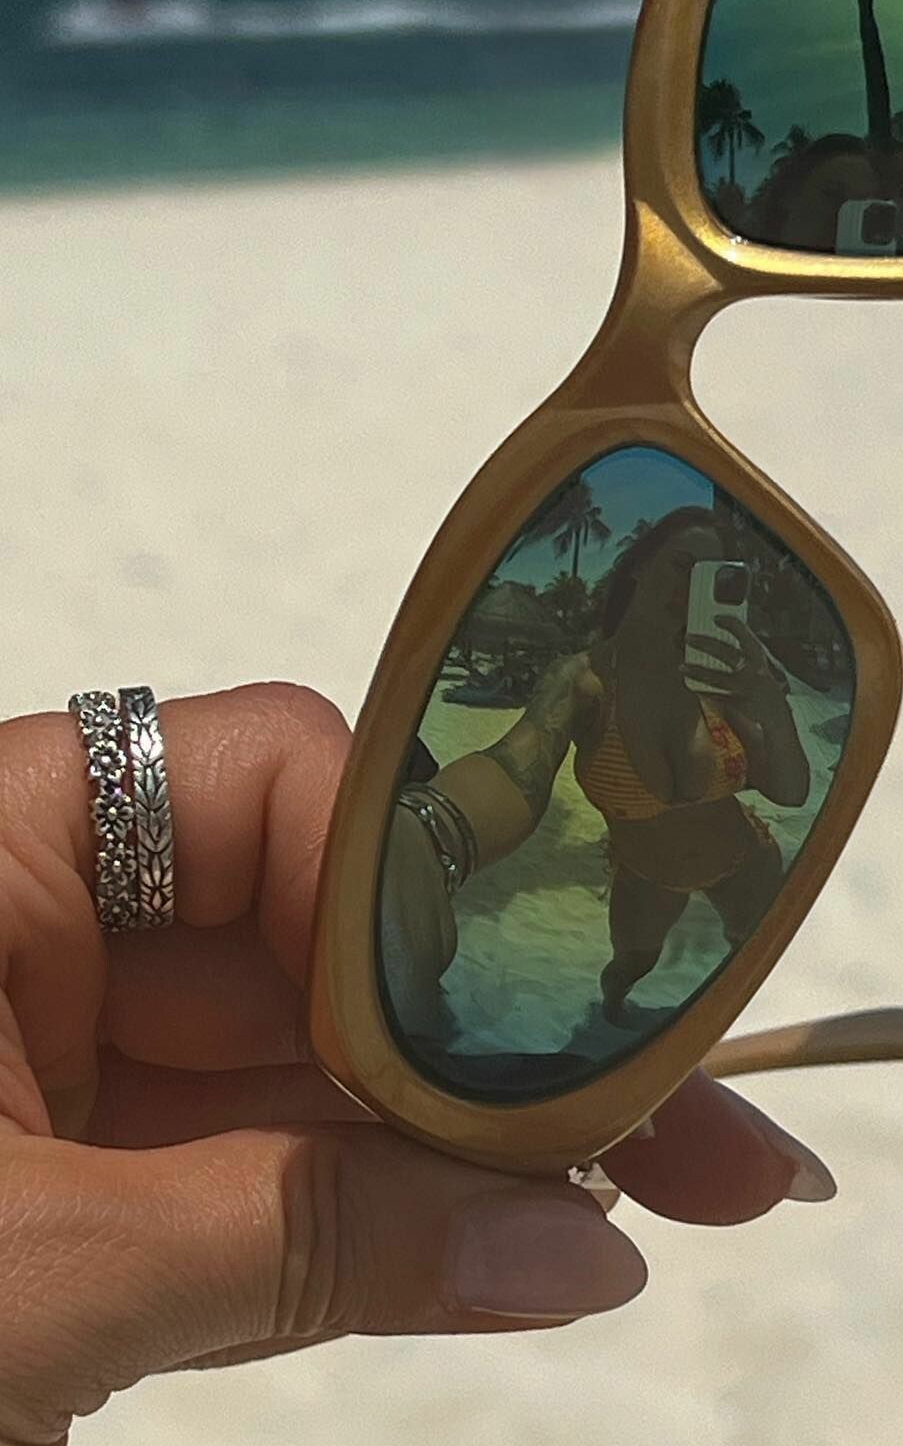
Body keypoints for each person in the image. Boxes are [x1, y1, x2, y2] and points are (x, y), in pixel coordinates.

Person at [0, 682, 835, 1439]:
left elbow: (787, 789)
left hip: (552, 861)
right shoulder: (608, 686)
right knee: (595, 958)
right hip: (518, 876)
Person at [402, 506, 812, 1033]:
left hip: (746, 859)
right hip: (647, 875)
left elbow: (791, 791)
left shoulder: (721, 680)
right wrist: (424, 830)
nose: (689, 591)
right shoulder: (584, 681)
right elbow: (513, 767)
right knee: (627, 968)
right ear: (640, 565)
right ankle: (614, 1022)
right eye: (681, 566)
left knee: (751, 962)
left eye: (709, 579)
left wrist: (769, 704)